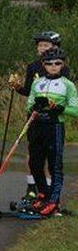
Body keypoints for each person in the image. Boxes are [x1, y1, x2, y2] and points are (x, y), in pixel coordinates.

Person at [10, 31, 67, 202]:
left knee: (51, 156)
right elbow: (29, 91)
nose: (41, 48)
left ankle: (48, 189)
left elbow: (64, 91)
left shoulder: (61, 66)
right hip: (34, 115)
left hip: (52, 118)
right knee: (33, 153)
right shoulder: (33, 67)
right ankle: (32, 188)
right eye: (40, 45)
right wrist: (16, 87)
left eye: (45, 45)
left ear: (54, 47)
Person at [22, 47, 78, 217]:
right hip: (37, 125)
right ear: (43, 65)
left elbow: (75, 110)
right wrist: (35, 106)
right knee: (35, 163)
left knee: (54, 165)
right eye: (49, 63)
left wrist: (60, 108)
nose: (53, 66)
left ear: (62, 65)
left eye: (57, 63)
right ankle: (43, 194)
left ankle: (54, 202)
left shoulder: (67, 85)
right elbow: (29, 104)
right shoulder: (37, 83)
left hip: (54, 126)